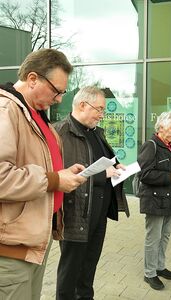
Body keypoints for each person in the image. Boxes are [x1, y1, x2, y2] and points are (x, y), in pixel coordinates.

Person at [0, 48, 87, 300]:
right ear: (33, 79)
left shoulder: (35, 114)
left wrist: (62, 173)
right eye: (56, 90)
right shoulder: (6, 110)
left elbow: (37, 166)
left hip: (33, 240)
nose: (60, 99)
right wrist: (54, 180)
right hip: (10, 248)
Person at [54, 86, 130, 300]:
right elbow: (64, 173)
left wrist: (117, 166)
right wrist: (102, 174)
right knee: (70, 272)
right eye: (99, 109)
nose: (102, 114)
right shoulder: (60, 132)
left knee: (88, 268)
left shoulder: (96, 132)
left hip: (98, 214)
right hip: (75, 214)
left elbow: (105, 160)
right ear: (82, 105)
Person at [137, 111, 171, 290]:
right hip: (154, 201)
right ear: (161, 128)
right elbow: (144, 174)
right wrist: (169, 176)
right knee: (153, 237)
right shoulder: (150, 146)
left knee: (165, 236)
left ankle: (160, 267)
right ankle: (149, 273)